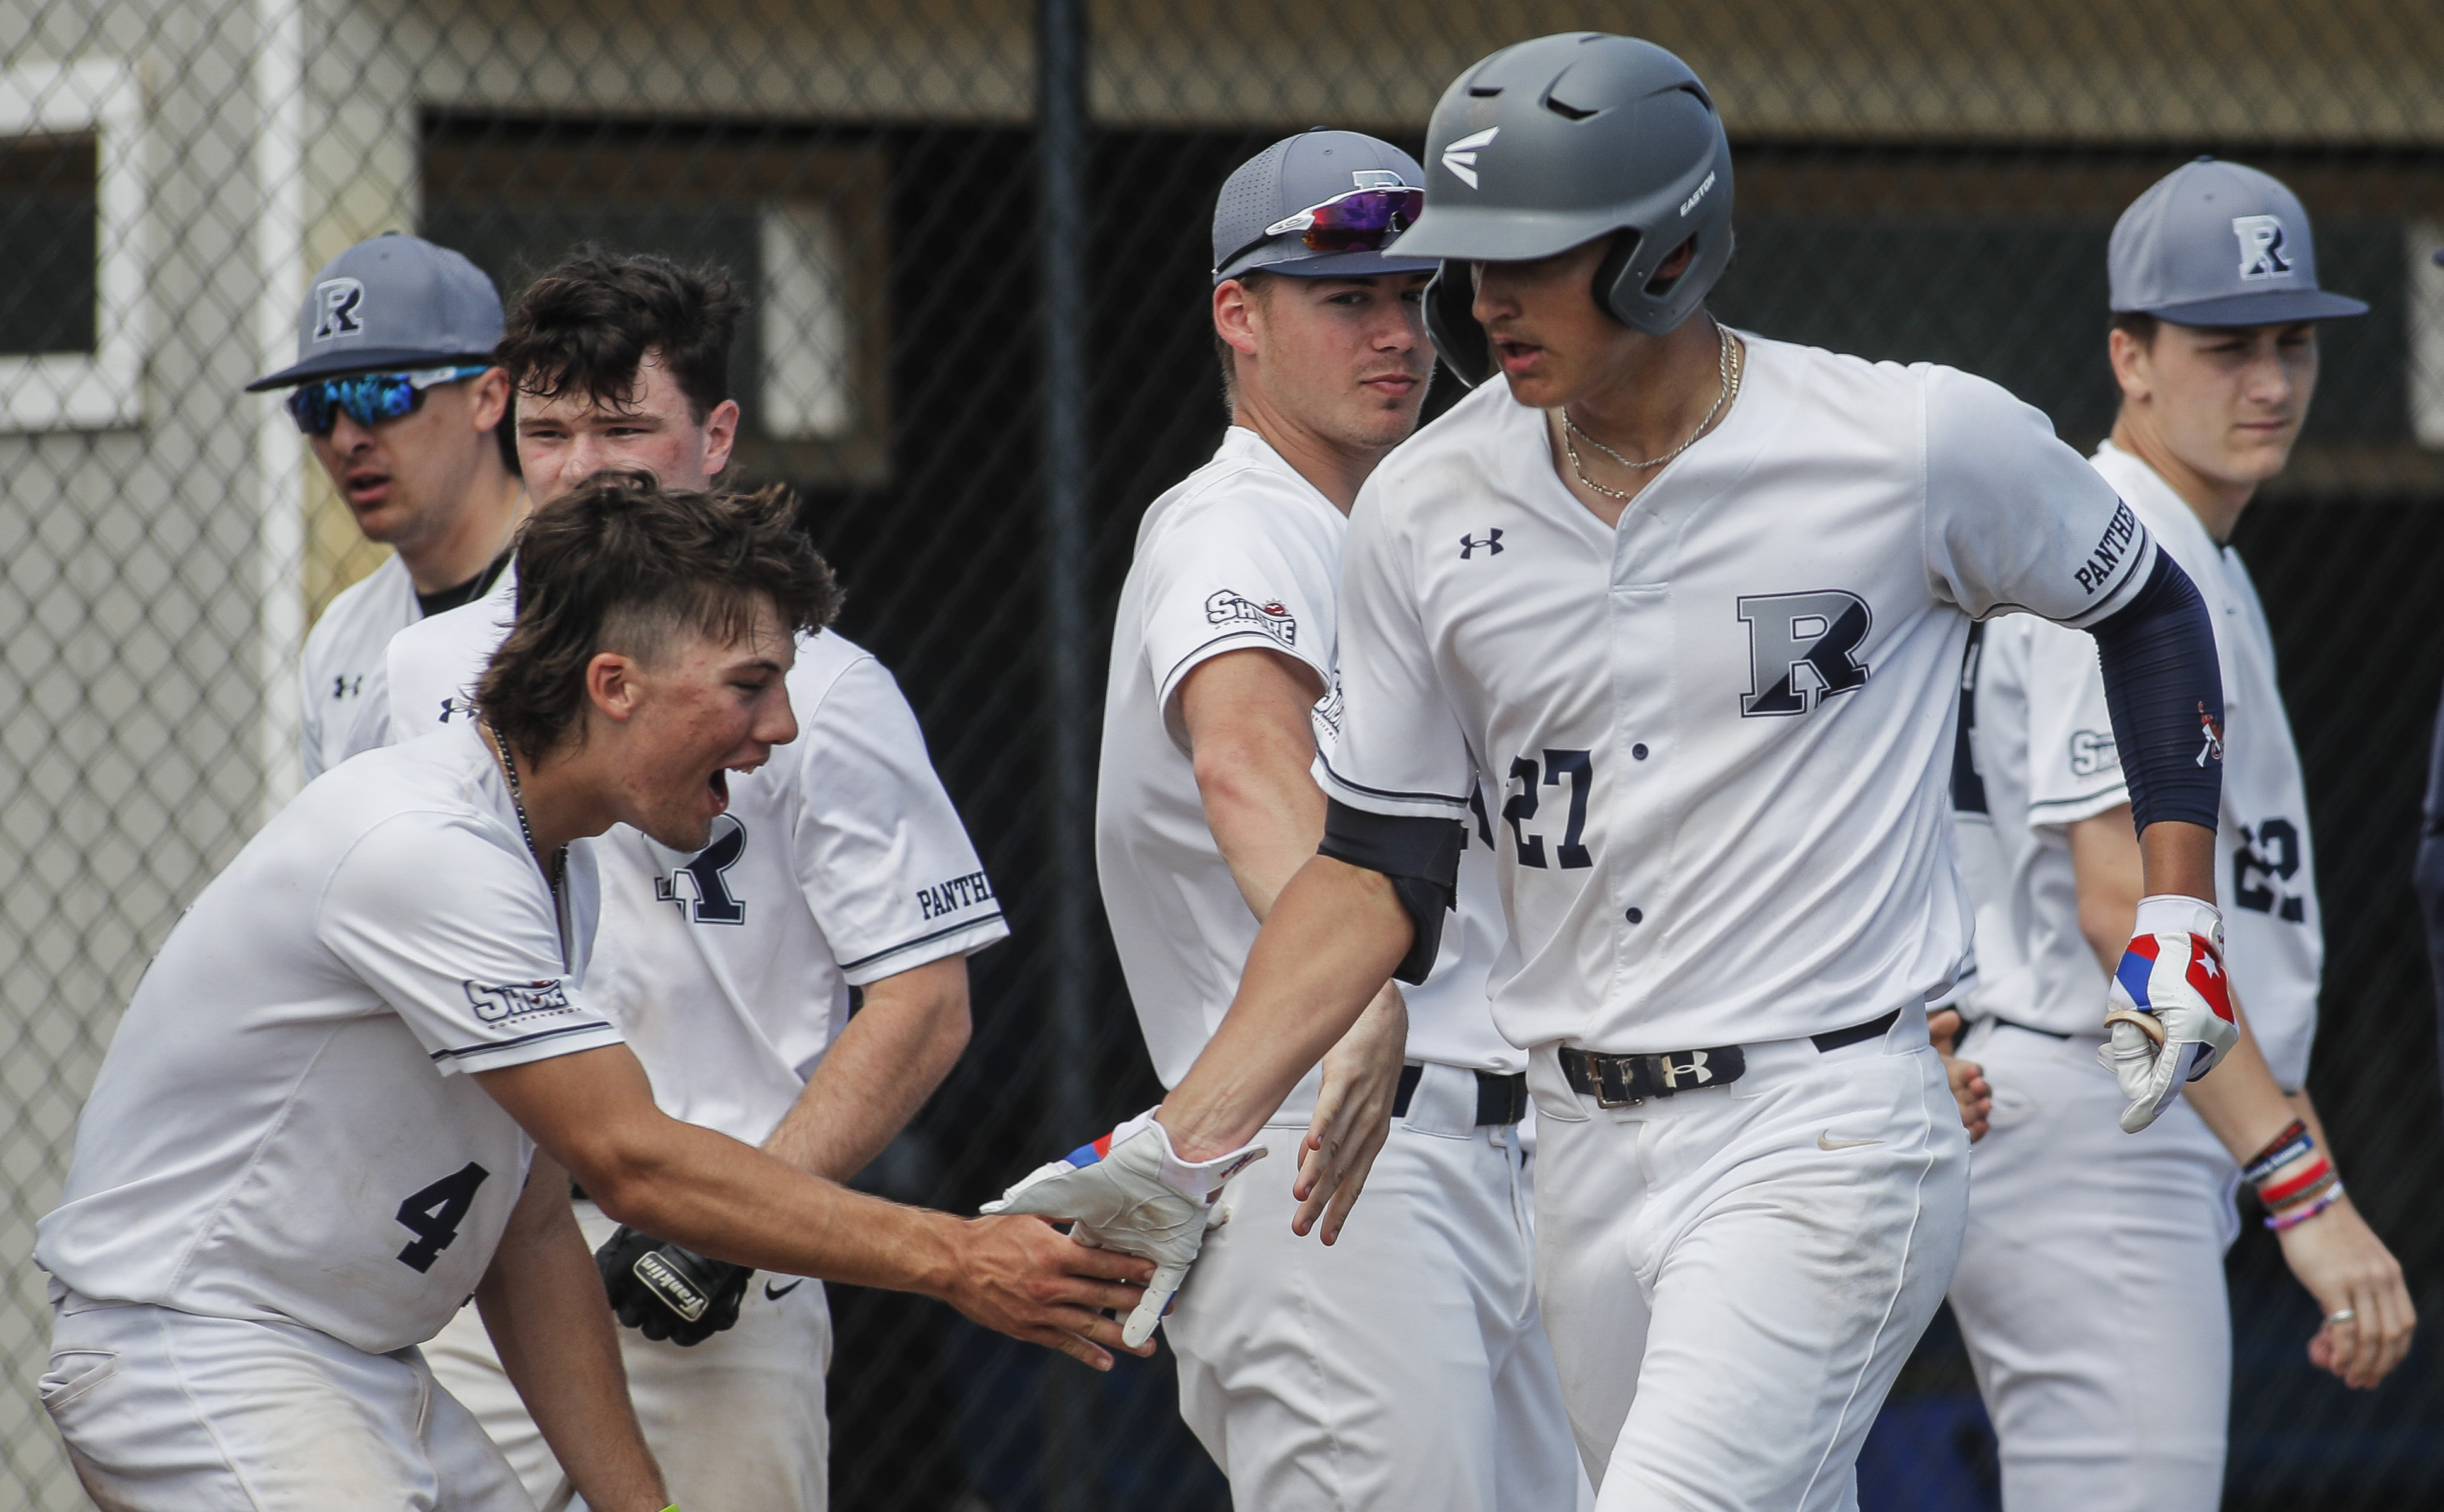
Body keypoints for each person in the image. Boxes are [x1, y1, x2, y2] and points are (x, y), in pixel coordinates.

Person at [994, 33, 2242, 1511]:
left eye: (1527, 256)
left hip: (1826, 1123)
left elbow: (2148, 602)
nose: (1479, 301)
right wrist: (1183, 1138)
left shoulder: (1906, 441)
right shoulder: (1423, 505)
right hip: (1577, 1153)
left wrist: (2180, 908)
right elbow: (1373, 871)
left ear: (1665, 250)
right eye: (1467, 261)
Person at [32, 473, 1150, 1512]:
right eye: (749, 686)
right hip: (200, 1344)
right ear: (612, 685)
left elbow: (526, 1235)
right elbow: (633, 1159)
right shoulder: (427, 847)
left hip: (351, 1358)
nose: (782, 728)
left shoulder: (553, 865)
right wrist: (955, 1257)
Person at [384, 251, 1005, 1512]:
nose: (580, 469)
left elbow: (925, 1000)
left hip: (716, 1272)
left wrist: (739, 1218)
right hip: (492, 1250)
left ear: (716, 436)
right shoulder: (427, 666)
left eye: (625, 428)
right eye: (548, 430)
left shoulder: (821, 689)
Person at [1087, 130, 1581, 1510]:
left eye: (1413, 298)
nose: (1395, 333)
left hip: (1491, 1152)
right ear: (1236, 315)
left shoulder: (1410, 535)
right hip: (1327, 1156)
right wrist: (1347, 987)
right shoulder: (1235, 521)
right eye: (1344, 297)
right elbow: (1243, 757)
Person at [1945, 158, 2415, 1509]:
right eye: (2223, 347)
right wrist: (2300, 1187)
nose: (2268, 380)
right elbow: (2119, 908)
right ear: (2129, 355)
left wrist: (2296, 1158)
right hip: (2093, 1113)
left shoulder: (2195, 553)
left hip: (2129, 1104)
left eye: (2291, 343)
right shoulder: (2116, 548)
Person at [245, 232, 527, 778]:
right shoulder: (341, 637)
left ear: (488, 397)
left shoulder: (591, 592)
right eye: (318, 406)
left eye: (376, 394)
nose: (347, 439)